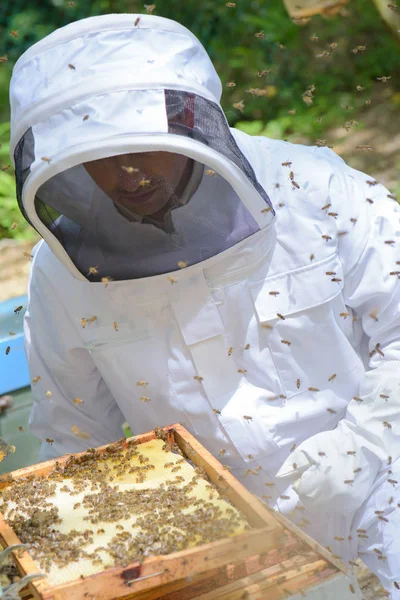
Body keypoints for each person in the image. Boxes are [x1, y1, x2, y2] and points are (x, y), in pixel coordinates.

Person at [8, 13, 400, 597]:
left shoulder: (317, 189)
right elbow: (72, 433)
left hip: (377, 500)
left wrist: (350, 460)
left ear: (189, 121)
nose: (126, 174)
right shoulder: (63, 272)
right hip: (211, 555)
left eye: (139, 146)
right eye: (97, 156)